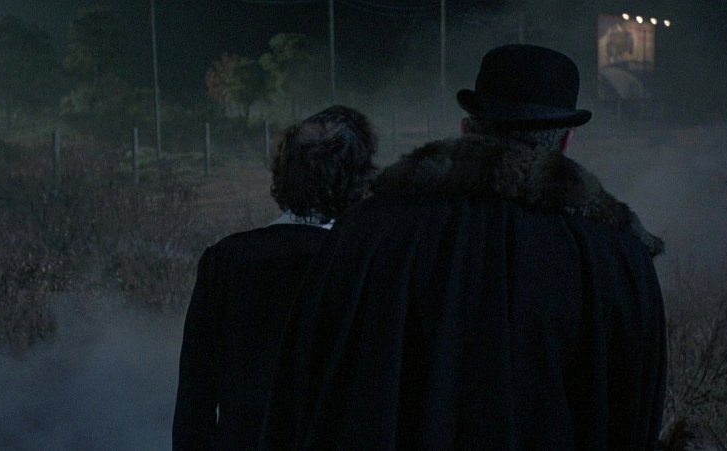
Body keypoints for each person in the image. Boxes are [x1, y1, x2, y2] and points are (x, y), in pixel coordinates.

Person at [261, 45, 666, 450]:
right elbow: (633, 415)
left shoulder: (369, 232)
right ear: (565, 142)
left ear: (468, 129)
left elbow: (305, 387)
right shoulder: (617, 259)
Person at [172, 105, 378, 450]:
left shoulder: (225, 261)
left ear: (284, 173)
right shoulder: (366, 264)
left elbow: (196, 398)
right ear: (359, 180)